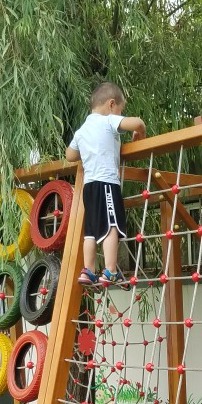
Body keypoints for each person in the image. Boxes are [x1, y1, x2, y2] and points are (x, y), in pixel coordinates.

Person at [65, 81, 147, 287]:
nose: (121, 114)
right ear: (111, 104)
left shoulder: (82, 131)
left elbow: (70, 155)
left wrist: (88, 150)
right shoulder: (109, 120)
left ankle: (88, 270)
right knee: (111, 226)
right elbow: (137, 122)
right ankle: (110, 271)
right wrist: (140, 132)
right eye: (121, 110)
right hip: (107, 184)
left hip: (89, 187)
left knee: (91, 231)